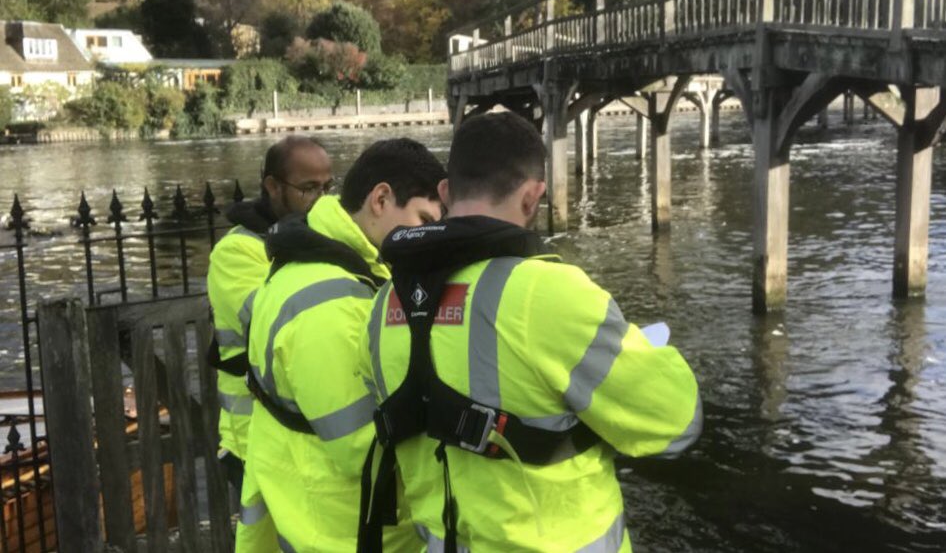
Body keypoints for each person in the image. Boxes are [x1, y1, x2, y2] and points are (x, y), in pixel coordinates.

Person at [359, 112, 702, 552]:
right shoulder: (552, 294)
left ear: (444, 192)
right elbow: (676, 422)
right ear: (533, 197)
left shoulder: (382, 306)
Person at [236, 138, 445, 553]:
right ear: (380, 199)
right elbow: (362, 449)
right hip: (348, 531)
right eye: (423, 220)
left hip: (320, 518)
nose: (429, 238)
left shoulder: (330, 262)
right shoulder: (330, 305)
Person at [208, 135, 332, 497]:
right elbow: (283, 324)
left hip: (303, 438)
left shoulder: (319, 236)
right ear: (273, 186)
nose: (322, 200)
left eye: (328, 187)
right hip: (254, 442)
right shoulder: (236, 251)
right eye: (308, 188)